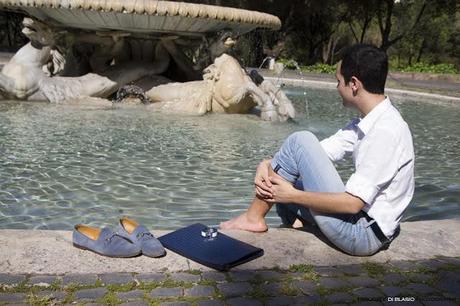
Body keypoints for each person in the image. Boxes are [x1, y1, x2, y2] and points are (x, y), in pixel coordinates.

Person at [220, 44, 415, 256]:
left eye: (338, 82)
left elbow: (352, 204)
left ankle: (252, 218)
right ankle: (289, 230)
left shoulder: (385, 131)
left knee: (299, 141)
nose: (336, 87)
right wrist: (267, 163)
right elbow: (307, 156)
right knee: (288, 174)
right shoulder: (369, 121)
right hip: (358, 224)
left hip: (362, 234)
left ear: (354, 84)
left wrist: (293, 195)